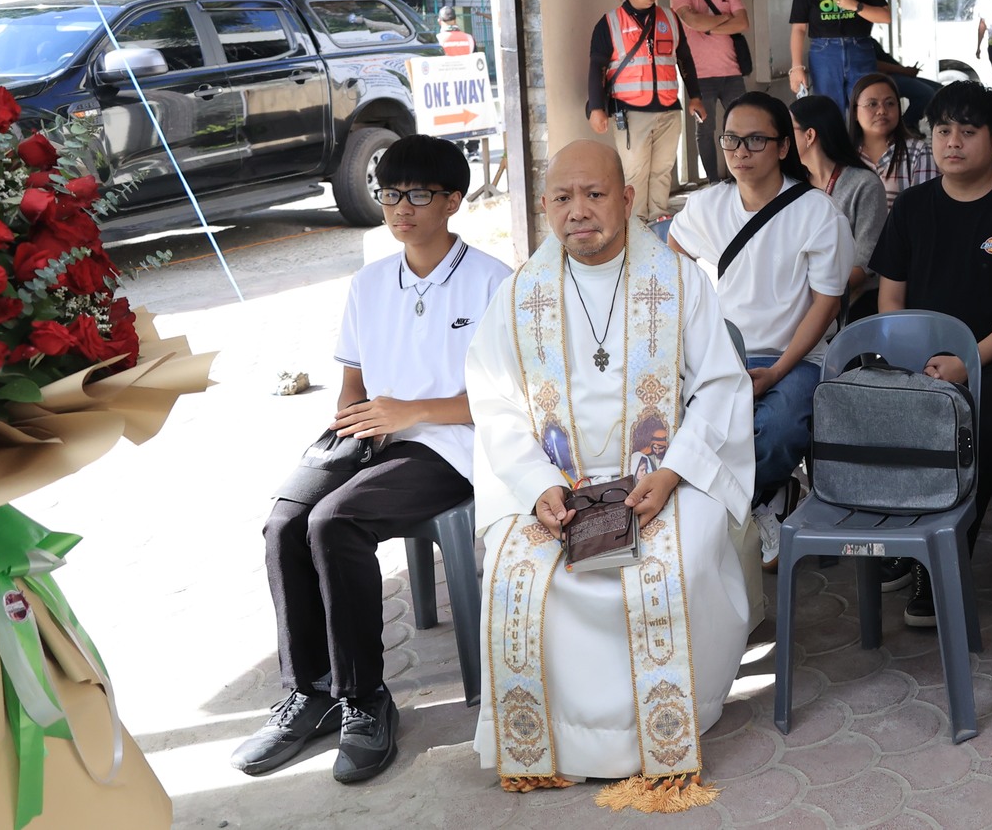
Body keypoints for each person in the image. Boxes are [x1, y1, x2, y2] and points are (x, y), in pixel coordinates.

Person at [464, 140, 754, 805]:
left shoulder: (679, 282)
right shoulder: (518, 296)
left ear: (626, 199)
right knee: (518, 572)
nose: (578, 211)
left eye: (595, 194)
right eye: (563, 198)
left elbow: (720, 386)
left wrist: (675, 470)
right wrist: (536, 483)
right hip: (557, 486)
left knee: (674, 562)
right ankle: (559, 741)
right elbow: (496, 405)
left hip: (659, 478)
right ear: (545, 206)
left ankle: (661, 733)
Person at [235, 136, 512, 785]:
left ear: (453, 200)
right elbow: (353, 385)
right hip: (373, 434)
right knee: (284, 522)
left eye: (418, 194)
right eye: (389, 193)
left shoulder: (493, 282)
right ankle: (310, 690)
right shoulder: (369, 283)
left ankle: (364, 698)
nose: (400, 208)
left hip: (450, 444)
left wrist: (408, 412)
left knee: (336, 522)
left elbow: (507, 398)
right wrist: (354, 432)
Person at [870, 80, 992, 627]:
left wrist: (966, 361)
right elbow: (890, 299)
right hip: (915, 359)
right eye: (943, 131)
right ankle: (901, 539)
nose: (952, 142)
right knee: (876, 411)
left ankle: (941, 559)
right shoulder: (912, 206)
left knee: (975, 422)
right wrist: (912, 361)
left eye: (968, 132)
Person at [668, 92, 849, 571]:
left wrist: (779, 371)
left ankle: (740, 509)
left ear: (783, 146)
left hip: (798, 357)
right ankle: (765, 500)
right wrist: (696, 319)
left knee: (773, 430)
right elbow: (673, 253)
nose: (740, 152)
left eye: (755, 140)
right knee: (685, 430)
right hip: (725, 352)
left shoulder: (817, 213)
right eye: (731, 139)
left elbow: (827, 304)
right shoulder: (708, 204)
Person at [586, 0, 686, 221]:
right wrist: (596, 108)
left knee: (663, 169)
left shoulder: (669, 18)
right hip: (631, 112)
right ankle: (636, 222)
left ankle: (659, 216)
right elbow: (597, 67)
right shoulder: (610, 23)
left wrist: (695, 97)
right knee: (635, 172)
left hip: (668, 109)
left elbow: (685, 59)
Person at [788, 93, 888, 316]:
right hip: (801, 303)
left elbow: (865, 264)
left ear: (809, 135)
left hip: (854, 304)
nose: (781, 139)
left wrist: (816, 297)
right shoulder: (793, 186)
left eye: (788, 130)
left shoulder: (864, 185)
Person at [668, 0, 749, 181]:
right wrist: (725, 17)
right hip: (700, 76)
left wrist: (708, 26)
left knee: (742, 125)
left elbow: (742, 23)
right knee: (705, 129)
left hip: (732, 72)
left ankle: (740, 176)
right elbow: (692, 21)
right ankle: (713, 182)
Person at [851, 71, 937, 208]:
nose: (882, 111)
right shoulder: (844, 155)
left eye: (890, 103)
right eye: (872, 104)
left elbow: (925, 210)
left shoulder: (918, 153)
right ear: (855, 112)